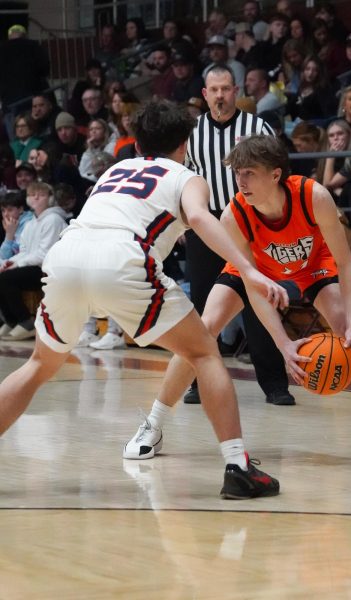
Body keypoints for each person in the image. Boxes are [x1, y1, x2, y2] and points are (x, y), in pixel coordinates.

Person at [0, 100, 285, 500]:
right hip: (122, 258)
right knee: (204, 354)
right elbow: (201, 220)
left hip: (67, 255)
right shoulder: (188, 176)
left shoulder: (114, 170)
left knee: (37, 366)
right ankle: (238, 466)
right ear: (185, 144)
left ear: (136, 146)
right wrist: (250, 268)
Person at [124, 135, 351, 463]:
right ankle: (153, 424)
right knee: (201, 333)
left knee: (350, 333)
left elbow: (345, 263)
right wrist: (283, 344)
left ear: (275, 174)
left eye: (249, 173)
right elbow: (251, 283)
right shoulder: (234, 215)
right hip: (255, 269)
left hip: (311, 264)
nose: (240, 181)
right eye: (237, 173)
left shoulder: (314, 196)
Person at [173, 64, 294, 406]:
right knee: (201, 305)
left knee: (258, 300)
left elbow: (278, 173)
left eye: (227, 89)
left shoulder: (257, 127)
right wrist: (184, 221)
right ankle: (198, 381)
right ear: (205, 94)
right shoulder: (192, 134)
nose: (221, 96)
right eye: (215, 90)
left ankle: (274, 384)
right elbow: (183, 180)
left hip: (250, 224)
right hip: (207, 225)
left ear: (236, 90)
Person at [0, 181, 68, 341]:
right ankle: (10, 320)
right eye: (32, 194)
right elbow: (24, 251)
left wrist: (17, 264)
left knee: (6, 279)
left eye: (41, 194)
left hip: (48, 269)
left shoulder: (53, 219)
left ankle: (25, 321)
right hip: (33, 266)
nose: (36, 197)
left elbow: (44, 254)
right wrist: (9, 263)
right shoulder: (31, 223)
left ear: (50, 198)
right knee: (3, 273)